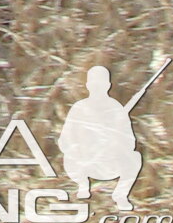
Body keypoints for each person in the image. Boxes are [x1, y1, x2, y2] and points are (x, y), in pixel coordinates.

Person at [61, 65, 143, 210]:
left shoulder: (116, 108)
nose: (97, 87)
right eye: (94, 83)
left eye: (101, 83)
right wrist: (81, 149)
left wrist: (115, 142)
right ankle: (82, 185)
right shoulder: (79, 108)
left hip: (109, 164)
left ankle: (121, 195)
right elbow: (64, 141)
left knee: (135, 158)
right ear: (88, 85)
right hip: (83, 163)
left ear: (108, 85)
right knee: (69, 158)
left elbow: (130, 141)